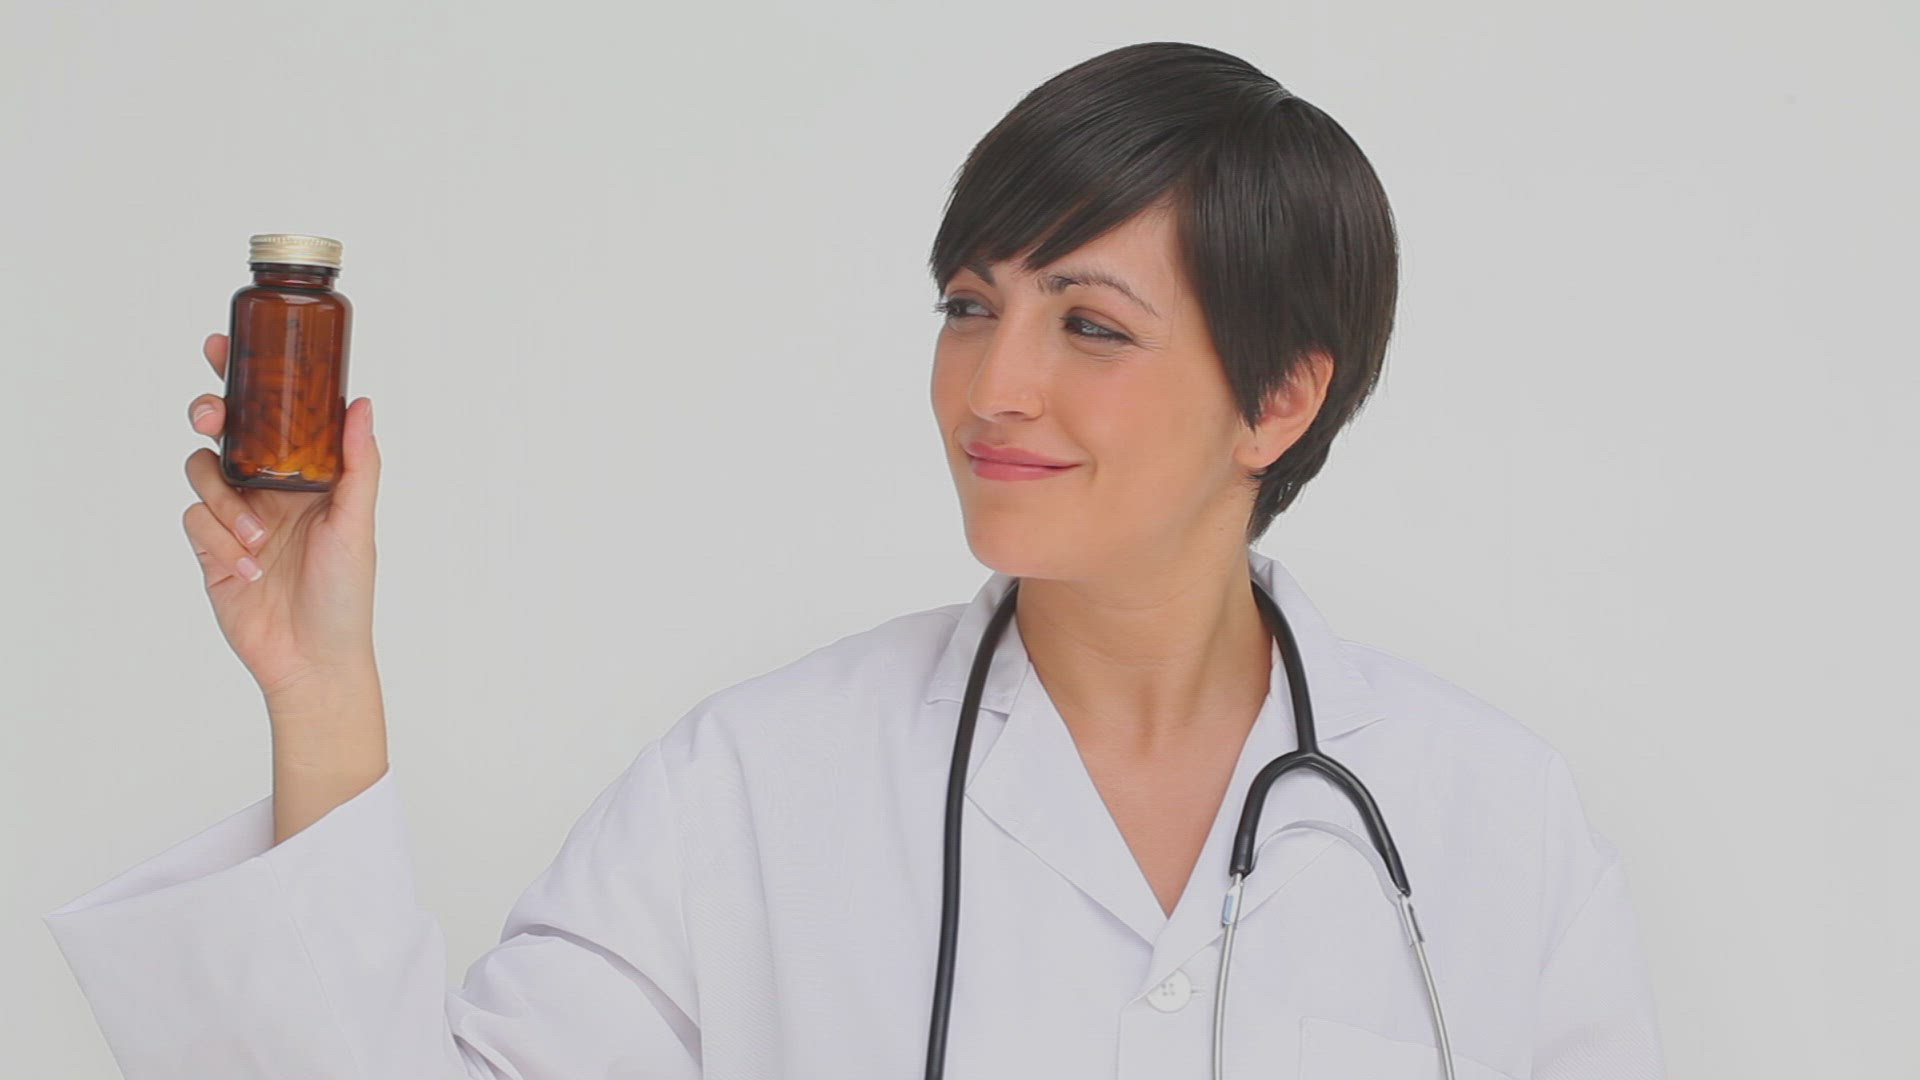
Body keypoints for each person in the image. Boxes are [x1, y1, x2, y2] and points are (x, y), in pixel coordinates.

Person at [43, 41, 1664, 1079]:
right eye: (970, 305)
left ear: (1280, 400)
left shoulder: (1490, 821)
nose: (992, 385)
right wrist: (322, 691)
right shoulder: (753, 788)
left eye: (1090, 325)